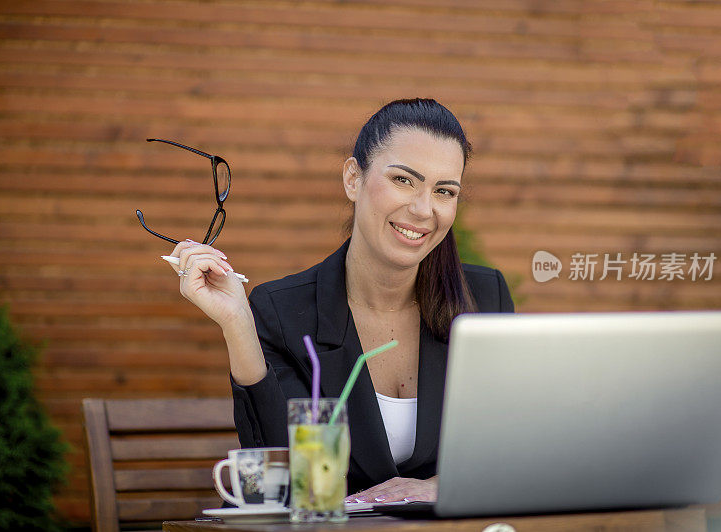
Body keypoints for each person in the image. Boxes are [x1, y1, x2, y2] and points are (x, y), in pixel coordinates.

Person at [165, 98, 514, 503]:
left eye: (444, 191)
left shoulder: (484, 299)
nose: (423, 209)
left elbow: (509, 449)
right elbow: (282, 479)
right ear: (353, 178)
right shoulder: (283, 313)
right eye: (403, 180)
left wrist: (436, 488)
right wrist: (238, 325)